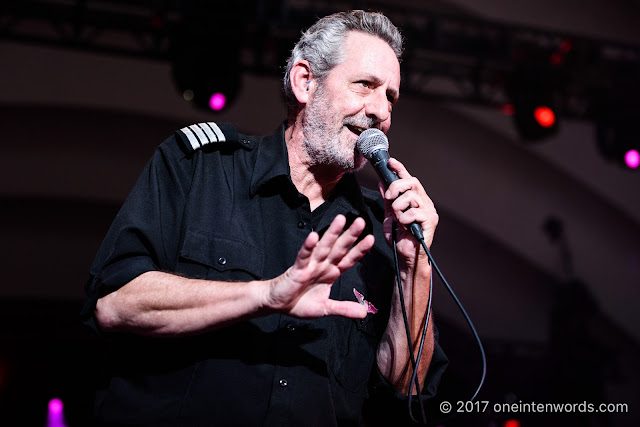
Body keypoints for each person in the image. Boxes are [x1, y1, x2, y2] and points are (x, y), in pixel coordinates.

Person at [81, 10, 447, 426]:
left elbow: (408, 391)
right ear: (305, 81)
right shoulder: (200, 168)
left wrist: (414, 264)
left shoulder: (382, 230)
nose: (381, 111)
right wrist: (267, 295)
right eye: (366, 85)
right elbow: (115, 305)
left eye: (391, 98)